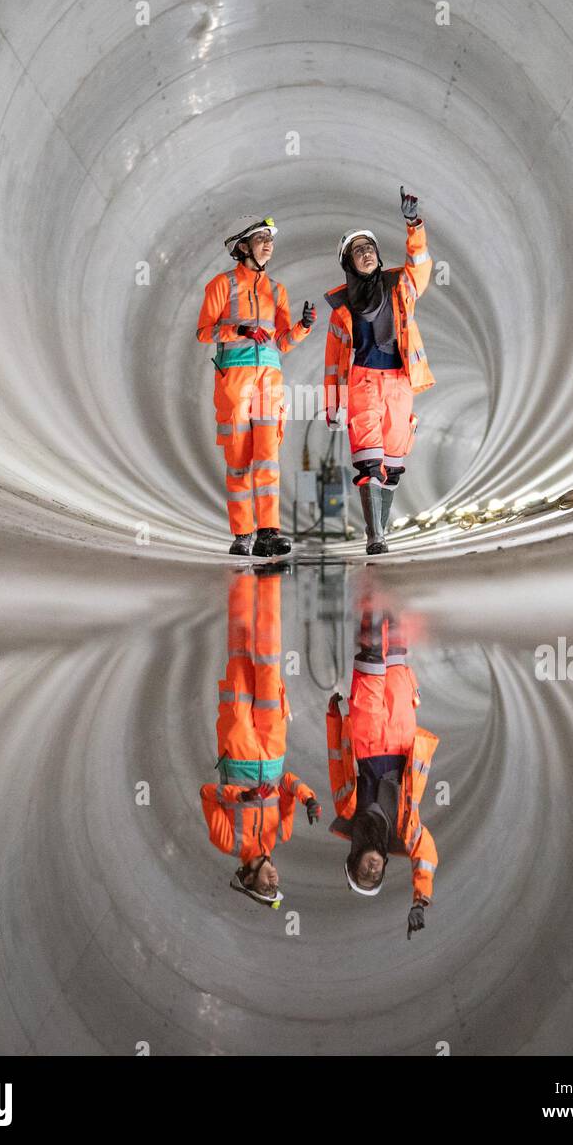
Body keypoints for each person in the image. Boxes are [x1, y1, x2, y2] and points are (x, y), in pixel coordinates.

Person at [200, 568, 320, 907]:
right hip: (271, 750)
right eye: (275, 887)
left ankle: (240, 580)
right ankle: (269, 582)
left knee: (239, 657)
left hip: (236, 749)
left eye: (266, 887)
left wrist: (241, 796)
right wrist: (308, 798)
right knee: (268, 663)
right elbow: (287, 784)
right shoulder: (280, 833)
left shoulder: (227, 841)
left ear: (247, 878)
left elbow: (208, 794)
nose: (275, 881)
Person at [197, 215, 316, 556]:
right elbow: (204, 331)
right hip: (234, 378)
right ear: (242, 247)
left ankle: (268, 531)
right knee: (239, 460)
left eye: (270, 239)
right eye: (261, 238)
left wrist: (303, 327)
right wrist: (240, 331)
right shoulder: (221, 285)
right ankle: (242, 533)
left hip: (269, 379)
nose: (268, 244)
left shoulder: (277, 290)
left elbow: (282, 341)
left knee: (267, 458)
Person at [323, 187, 434, 553]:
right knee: (369, 462)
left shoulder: (399, 285)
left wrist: (413, 224)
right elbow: (332, 363)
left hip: (400, 382)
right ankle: (376, 538)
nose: (366, 254)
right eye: (358, 250)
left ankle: (381, 529)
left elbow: (420, 264)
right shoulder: (342, 309)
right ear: (348, 262)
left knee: (394, 464)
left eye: (369, 248)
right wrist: (333, 406)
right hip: (362, 383)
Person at [326, 604, 439, 939]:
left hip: (368, 737)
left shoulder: (347, 812)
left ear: (354, 859)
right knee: (398, 658)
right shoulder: (404, 832)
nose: (371, 869)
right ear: (384, 869)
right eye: (375, 876)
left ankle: (374, 587)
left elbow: (336, 760)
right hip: (403, 737)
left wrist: (334, 720)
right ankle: (399, 589)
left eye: (363, 872)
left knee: (372, 657)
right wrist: (421, 899)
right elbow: (427, 855)